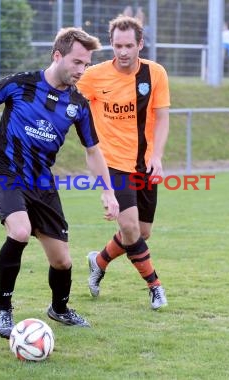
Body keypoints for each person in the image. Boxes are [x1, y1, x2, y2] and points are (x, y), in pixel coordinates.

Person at [0, 27, 120, 338]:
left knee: (62, 260)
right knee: (20, 230)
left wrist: (108, 191)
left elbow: (93, 151)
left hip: (42, 183)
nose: (82, 70)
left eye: (86, 64)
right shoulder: (20, 84)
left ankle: (60, 308)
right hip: (5, 173)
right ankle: (3, 310)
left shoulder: (78, 105)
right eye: (77, 62)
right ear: (58, 56)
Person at [76, 15, 170, 310]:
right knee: (129, 226)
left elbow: (163, 117)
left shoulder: (155, 74)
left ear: (140, 44)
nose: (123, 52)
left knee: (141, 233)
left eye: (129, 45)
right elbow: (67, 98)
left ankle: (99, 260)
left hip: (144, 164)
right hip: (112, 163)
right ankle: (155, 286)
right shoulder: (93, 76)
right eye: (118, 45)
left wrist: (157, 156)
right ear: (111, 44)